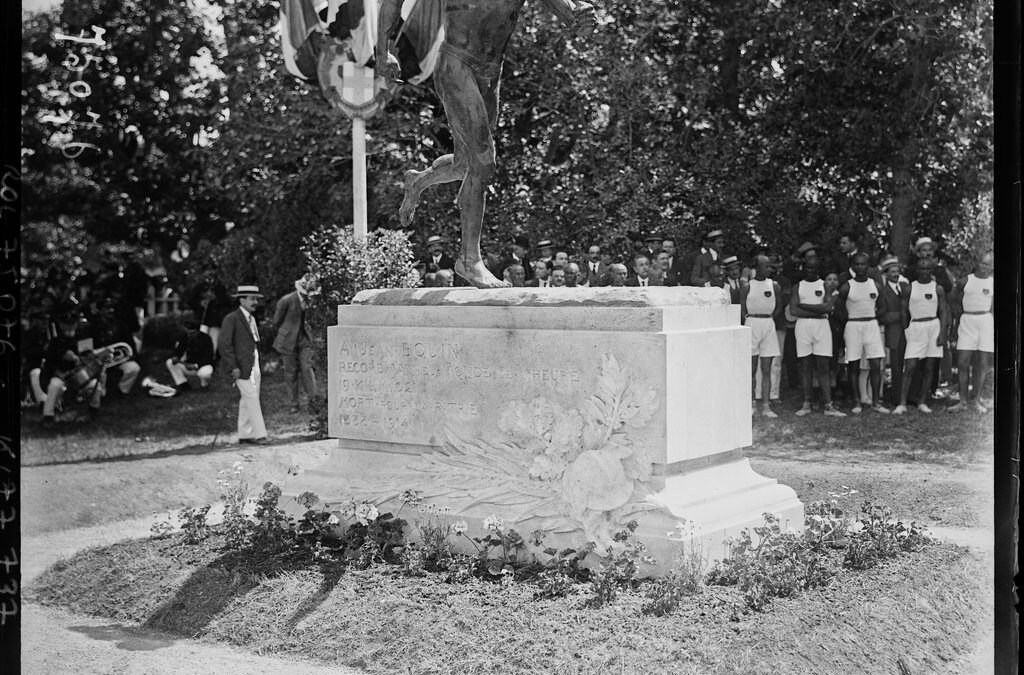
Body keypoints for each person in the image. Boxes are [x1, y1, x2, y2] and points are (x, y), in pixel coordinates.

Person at [377, 0, 595, 288]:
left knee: (466, 165)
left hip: (491, 73)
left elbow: (567, 10)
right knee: (483, 162)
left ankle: (419, 181)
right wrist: (383, 51)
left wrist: (579, 13)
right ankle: (469, 260)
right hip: (457, 63)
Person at [893, 258, 950, 415]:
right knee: (910, 366)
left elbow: (944, 311)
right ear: (917, 270)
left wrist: (942, 333)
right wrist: (907, 330)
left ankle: (922, 401)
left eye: (927, 269)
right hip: (916, 327)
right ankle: (902, 403)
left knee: (929, 366)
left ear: (931, 270)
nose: (924, 271)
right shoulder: (910, 288)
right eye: (921, 269)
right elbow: (903, 311)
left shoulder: (937, 288)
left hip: (933, 325)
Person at [790, 260, 845, 417]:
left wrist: (805, 305)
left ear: (818, 270)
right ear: (803, 269)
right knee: (805, 365)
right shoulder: (797, 286)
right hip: (803, 327)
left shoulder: (825, 285)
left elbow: (828, 307)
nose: (810, 270)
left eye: (813, 268)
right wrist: (818, 311)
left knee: (824, 366)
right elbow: (794, 310)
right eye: (807, 267)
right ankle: (806, 403)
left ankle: (828, 405)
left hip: (822, 327)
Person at [837, 253, 890, 414]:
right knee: (853, 365)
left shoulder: (875, 285)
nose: (860, 267)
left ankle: (875, 402)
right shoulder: (847, 286)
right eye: (857, 264)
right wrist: (849, 318)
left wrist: (874, 316)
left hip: (871, 325)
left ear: (868, 266)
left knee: (875, 364)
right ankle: (856, 401)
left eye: (863, 264)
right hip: (853, 326)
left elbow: (883, 306)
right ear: (853, 266)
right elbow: (839, 309)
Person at [219, 284, 269, 444]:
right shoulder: (231, 318)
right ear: (242, 300)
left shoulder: (252, 318)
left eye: (256, 299)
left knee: (247, 399)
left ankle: (245, 434)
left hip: (253, 363)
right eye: (252, 299)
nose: (255, 302)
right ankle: (260, 434)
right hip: (240, 366)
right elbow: (224, 345)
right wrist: (233, 366)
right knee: (252, 397)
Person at [40, 302, 103, 427]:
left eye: (72, 324)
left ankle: (93, 412)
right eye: (66, 324)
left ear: (76, 324)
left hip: (80, 375)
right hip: (61, 375)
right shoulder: (55, 342)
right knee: (54, 386)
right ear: (61, 325)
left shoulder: (83, 339)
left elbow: (89, 360)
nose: (69, 326)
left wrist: (76, 359)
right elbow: (50, 364)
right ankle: (48, 416)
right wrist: (61, 375)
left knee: (97, 386)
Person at [948, 252, 994, 413]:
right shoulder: (965, 281)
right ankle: (962, 401)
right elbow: (952, 300)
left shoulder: (993, 282)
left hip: (986, 322)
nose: (985, 267)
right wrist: (959, 315)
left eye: (988, 264)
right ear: (977, 262)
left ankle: (976, 400)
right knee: (962, 362)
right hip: (967, 322)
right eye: (982, 263)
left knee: (982, 363)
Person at [273, 273, 321, 414]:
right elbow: (277, 321)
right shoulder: (286, 300)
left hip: (304, 340)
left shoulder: (312, 300)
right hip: (287, 341)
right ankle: (294, 403)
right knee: (290, 372)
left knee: (307, 368)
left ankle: (314, 401)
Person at [742, 254, 782, 418]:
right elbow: (742, 308)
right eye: (766, 266)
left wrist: (769, 318)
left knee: (767, 368)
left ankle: (766, 405)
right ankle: (751, 404)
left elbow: (779, 306)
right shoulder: (747, 286)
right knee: (750, 369)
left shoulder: (774, 285)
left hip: (768, 325)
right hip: (752, 324)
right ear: (756, 268)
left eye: (770, 266)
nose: (769, 269)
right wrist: (749, 322)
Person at [88, 297, 142, 398]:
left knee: (134, 368)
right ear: (100, 310)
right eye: (107, 308)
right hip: (99, 360)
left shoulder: (120, 323)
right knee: (101, 371)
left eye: (112, 308)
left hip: (117, 359)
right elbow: (87, 346)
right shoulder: (92, 325)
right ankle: (100, 395)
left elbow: (130, 341)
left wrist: (133, 355)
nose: (111, 310)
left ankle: (122, 391)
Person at [877, 255, 909, 407]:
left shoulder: (905, 287)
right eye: (892, 272)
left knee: (909, 364)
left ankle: (909, 396)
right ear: (886, 274)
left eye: (897, 271)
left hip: (909, 332)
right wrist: (900, 315)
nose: (896, 274)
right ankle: (896, 398)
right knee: (896, 367)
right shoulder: (883, 291)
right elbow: (882, 316)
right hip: (894, 332)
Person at [166, 320, 216, 391]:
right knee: (170, 362)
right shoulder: (185, 336)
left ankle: (205, 385)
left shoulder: (206, 338)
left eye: (193, 333)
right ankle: (183, 384)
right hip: (188, 365)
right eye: (189, 332)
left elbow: (209, 357)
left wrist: (196, 365)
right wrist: (176, 357)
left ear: (198, 331)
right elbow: (179, 351)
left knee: (205, 373)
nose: (190, 335)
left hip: (203, 365)